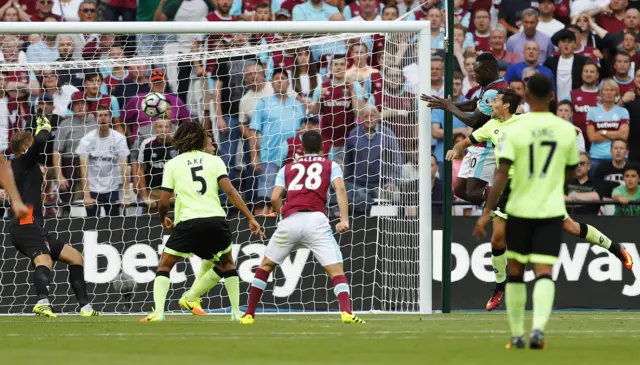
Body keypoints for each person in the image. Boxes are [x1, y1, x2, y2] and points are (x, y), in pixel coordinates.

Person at [473, 73, 626, 349]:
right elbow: (572, 169)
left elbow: (502, 172)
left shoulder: (513, 130)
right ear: (552, 98)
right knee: (544, 270)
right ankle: (538, 332)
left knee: (517, 269)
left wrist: (486, 211)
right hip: (548, 204)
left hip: (519, 203)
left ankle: (517, 334)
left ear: (527, 98)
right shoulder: (565, 129)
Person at [141, 122, 264, 323]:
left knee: (165, 265)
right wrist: (250, 217)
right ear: (200, 139)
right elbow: (231, 192)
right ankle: (236, 313)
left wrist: (163, 218)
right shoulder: (214, 161)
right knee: (227, 264)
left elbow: (163, 201)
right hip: (216, 219)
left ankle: (159, 313)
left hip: (188, 221)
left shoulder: (173, 164)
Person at [240, 130, 365, 325]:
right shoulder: (330, 164)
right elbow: (340, 188)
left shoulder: (287, 167)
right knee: (336, 271)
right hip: (316, 220)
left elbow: (274, 197)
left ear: (301, 147)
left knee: (265, 266)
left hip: (290, 220)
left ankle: (249, 314)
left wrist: (283, 216)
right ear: (322, 147)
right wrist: (344, 219)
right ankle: (346, 312)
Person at [9, 115, 100, 318]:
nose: (35, 149)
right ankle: (42, 302)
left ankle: (85, 308)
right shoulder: (23, 162)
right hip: (26, 223)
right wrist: (46, 127)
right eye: (31, 146)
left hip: (34, 225)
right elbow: (41, 141)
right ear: (25, 148)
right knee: (44, 261)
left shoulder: (18, 166)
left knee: (76, 257)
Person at [422, 53, 508, 206]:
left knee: (473, 191)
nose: (474, 76)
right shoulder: (491, 85)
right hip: (477, 145)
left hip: (486, 146)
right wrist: (447, 104)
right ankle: (495, 202)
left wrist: (449, 107)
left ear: (487, 72)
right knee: (460, 191)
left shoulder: (492, 92)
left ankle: (505, 200)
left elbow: (474, 120)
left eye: (477, 73)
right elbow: (473, 105)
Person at [76, 107, 131, 217]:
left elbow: (124, 168)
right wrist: (86, 196)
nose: (103, 118)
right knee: (91, 225)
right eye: (100, 116)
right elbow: (83, 170)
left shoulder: (119, 139)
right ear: (96, 119)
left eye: (106, 115)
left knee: (113, 225)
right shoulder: (86, 140)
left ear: (110, 118)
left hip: (112, 188)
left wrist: (127, 194)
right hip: (92, 188)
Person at [136, 118, 177, 212]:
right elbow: (141, 171)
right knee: (150, 225)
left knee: (173, 225)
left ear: (170, 129)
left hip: (173, 193)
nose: (163, 129)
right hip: (153, 193)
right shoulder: (147, 144)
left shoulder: (177, 145)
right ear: (155, 128)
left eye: (166, 126)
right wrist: (145, 196)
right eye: (160, 126)